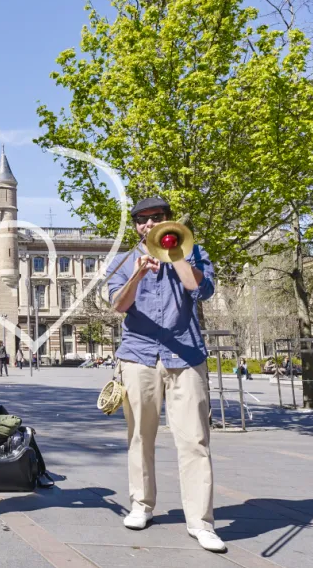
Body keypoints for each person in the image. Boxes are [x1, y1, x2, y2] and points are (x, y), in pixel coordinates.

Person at [106, 196, 225, 553]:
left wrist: (176, 257)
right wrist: (139, 273)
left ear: (168, 221)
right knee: (140, 436)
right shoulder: (124, 260)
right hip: (138, 355)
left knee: (194, 440)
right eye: (142, 220)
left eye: (156, 218)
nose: (148, 225)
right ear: (136, 227)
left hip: (185, 355)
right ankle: (141, 505)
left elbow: (201, 290)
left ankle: (200, 522)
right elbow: (117, 306)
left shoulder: (193, 251)